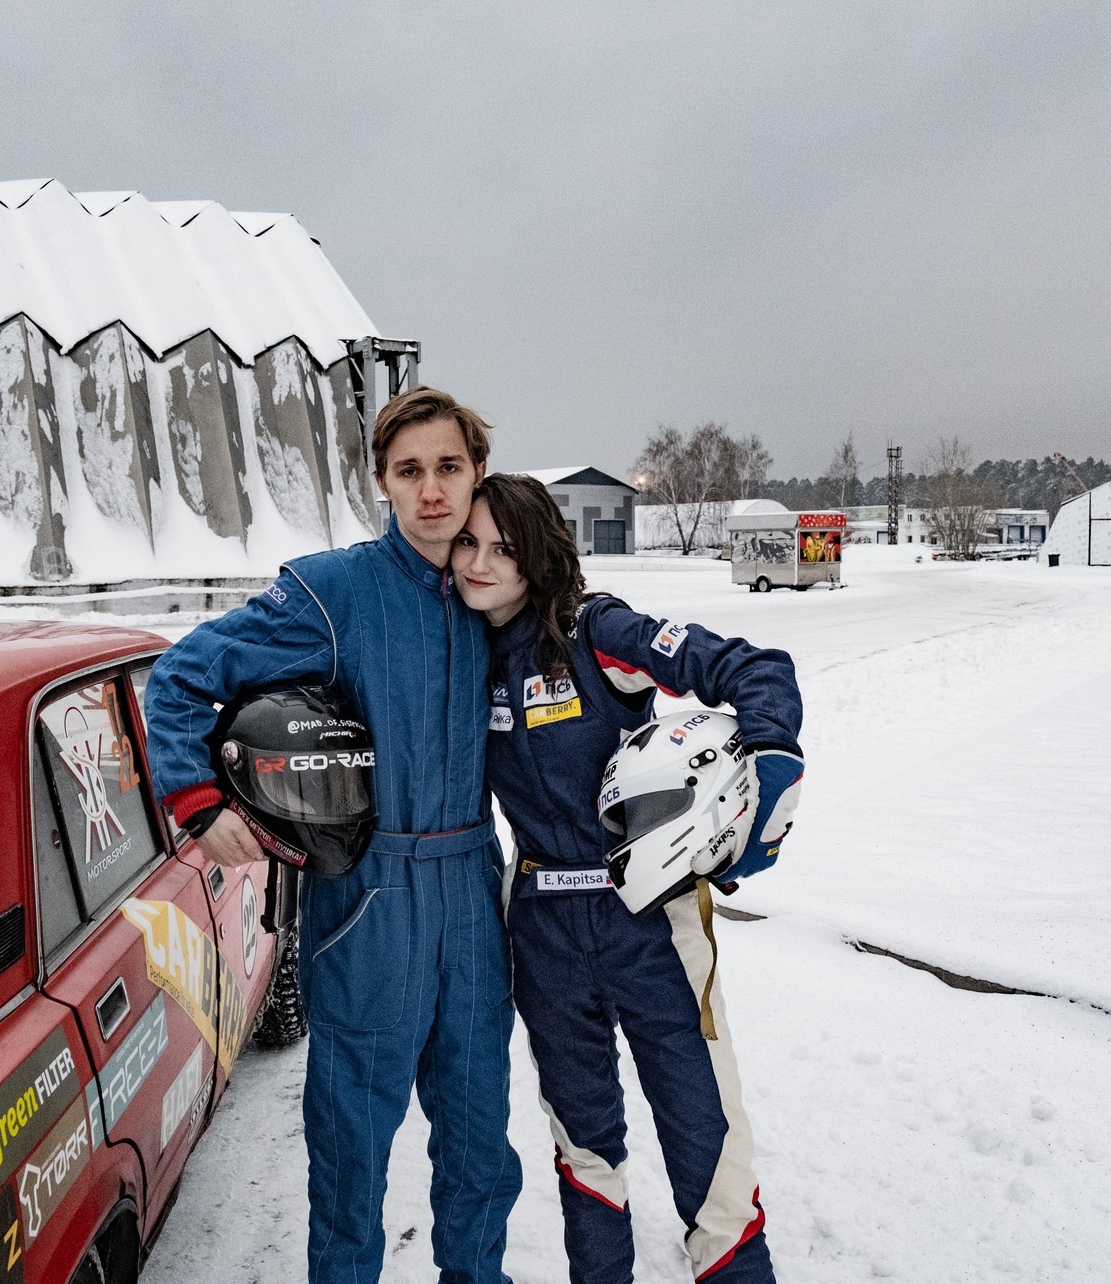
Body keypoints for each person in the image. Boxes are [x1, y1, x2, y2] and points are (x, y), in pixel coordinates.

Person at [142, 389, 523, 1284]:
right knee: (351, 1152)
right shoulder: (337, 589)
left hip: (471, 892)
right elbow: (183, 674)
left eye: (449, 468)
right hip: (369, 902)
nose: (432, 492)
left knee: (479, 1145)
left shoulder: (497, 586)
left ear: (476, 473)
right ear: (381, 482)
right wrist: (200, 801)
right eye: (409, 471)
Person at [450, 473, 803, 1284]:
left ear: (539, 553)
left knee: (704, 1141)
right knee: (583, 1144)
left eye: (504, 546)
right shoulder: (459, 651)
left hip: (648, 919)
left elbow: (754, 667)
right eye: (468, 542)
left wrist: (772, 761)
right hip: (541, 929)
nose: (479, 562)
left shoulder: (597, 628)